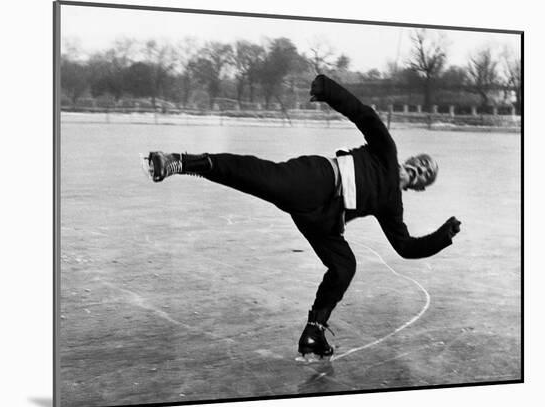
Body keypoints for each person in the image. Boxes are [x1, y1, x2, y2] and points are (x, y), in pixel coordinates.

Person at [144, 74, 461, 359]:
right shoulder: (386, 151)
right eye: (419, 163)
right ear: (410, 159)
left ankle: (314, 332)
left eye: (423, 175)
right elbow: (363, 114)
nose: (417, 170)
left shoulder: (392, 204)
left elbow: (405, 246)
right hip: (318, 180)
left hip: (325, 221)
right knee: (257, 176)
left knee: (344, 265)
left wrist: (442, 236)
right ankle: (179, 162)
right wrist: (329, 90)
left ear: (419, 186)